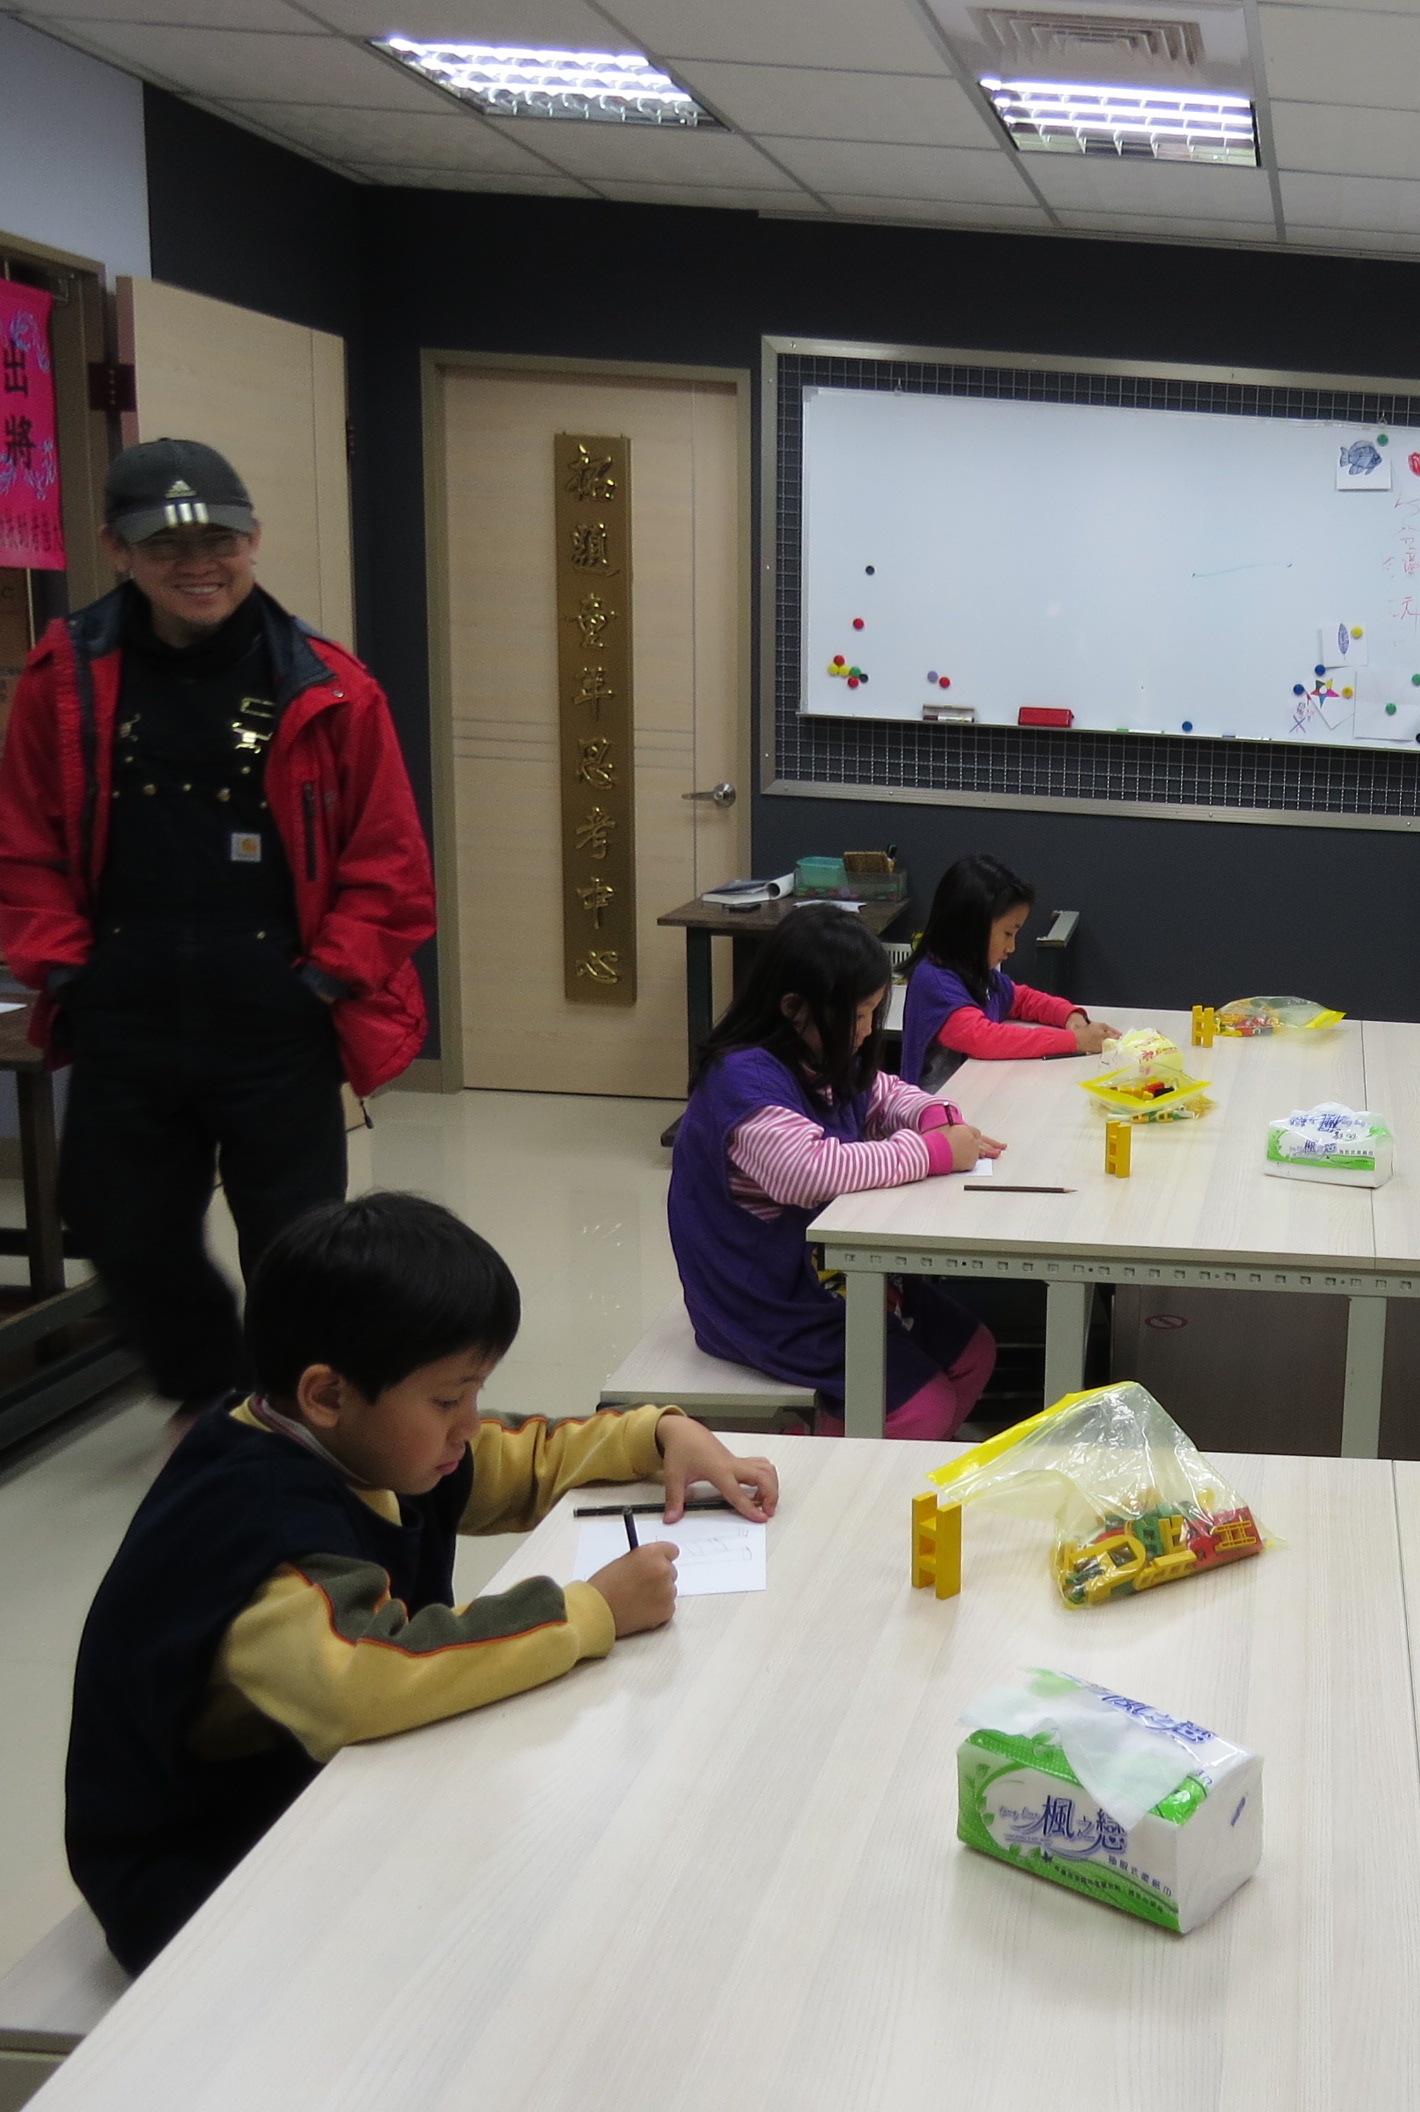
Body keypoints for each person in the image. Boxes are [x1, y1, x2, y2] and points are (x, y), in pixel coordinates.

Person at [64, 1192, 776, 1972]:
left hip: (313, 1790)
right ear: (327, 1395)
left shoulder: (368, 1442)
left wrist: (660, 1433)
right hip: (203, 1872)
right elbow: (367, 1677)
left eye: (474, 1392)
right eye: (447, 1399)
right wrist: (590, 1610)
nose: (468, 1423)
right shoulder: (262, 1531)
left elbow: (519, 1460)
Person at [0, 440, 434, 1430]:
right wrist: (66, 972)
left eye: (221, 541)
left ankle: (290, 1411)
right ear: (118, 548)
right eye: (167, 544)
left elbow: (391, 864)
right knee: (117, 1220)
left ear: (254, 540)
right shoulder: (64, 676)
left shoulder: (328, 682)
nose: (199, 564)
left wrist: (324, 981)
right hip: (123, 1008)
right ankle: (209, 1388)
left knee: (298, 1242)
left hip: (276, 1011)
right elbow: (23, 843)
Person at [672, 905, 1002, 1437]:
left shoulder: (818, 1055)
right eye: (859, 1015)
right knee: (925, 1405)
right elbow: (809, 1171)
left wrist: (933, 1115)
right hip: (763, 1301)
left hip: (825, 1274)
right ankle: (819, 1448)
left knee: (974, 1353)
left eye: (873, 1012)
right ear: (794, 1008)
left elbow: (881, 1093)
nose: (868, 1030)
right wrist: (932, 1152)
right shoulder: (741, 1081)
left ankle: (892, 1459)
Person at [896, 853, 1117, 1091]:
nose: (1012, 947)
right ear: (970, 928)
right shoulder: (934, 981)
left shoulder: (975, 973)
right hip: (933, 1107)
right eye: (1007, 934)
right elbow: (982, 1039)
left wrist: (1068, 1015)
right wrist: (1075, 1041)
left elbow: (1020, 998)